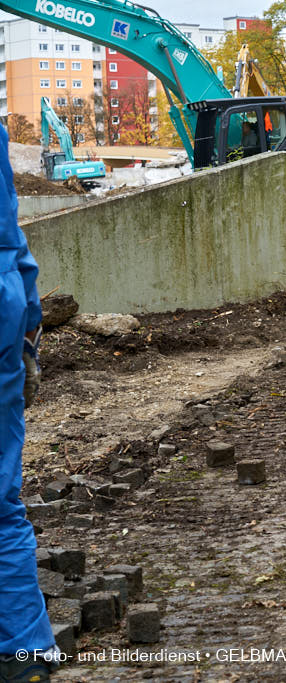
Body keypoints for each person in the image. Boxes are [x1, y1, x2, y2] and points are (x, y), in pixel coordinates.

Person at [0, 123, 57, 682]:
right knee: (0, 500)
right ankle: (26, 650)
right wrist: (28, 335)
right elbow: (13, 241)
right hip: (4, 306)